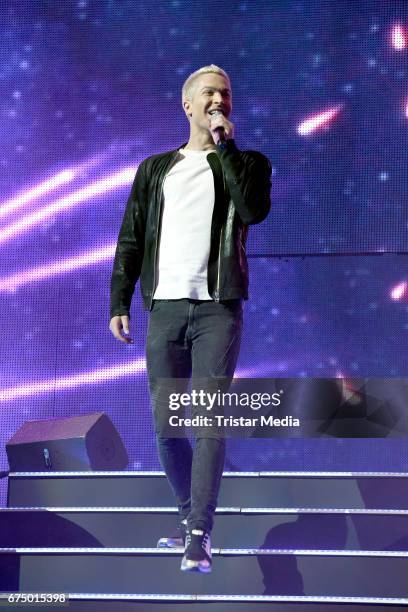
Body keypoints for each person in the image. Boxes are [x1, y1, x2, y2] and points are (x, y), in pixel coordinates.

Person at [109, 64, 272, 573]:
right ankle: (188, 524)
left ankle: (199, 533)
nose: (218, 99)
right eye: (208, 93)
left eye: (224, 93)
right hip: (165, 308)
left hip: (217, 308)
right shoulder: (157, 169)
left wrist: (226, 148)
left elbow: (251, 211)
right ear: (188, 105)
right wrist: (119, 301)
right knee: (166, 428)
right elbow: (131, 238)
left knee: (207, 420)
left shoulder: (248, 164)